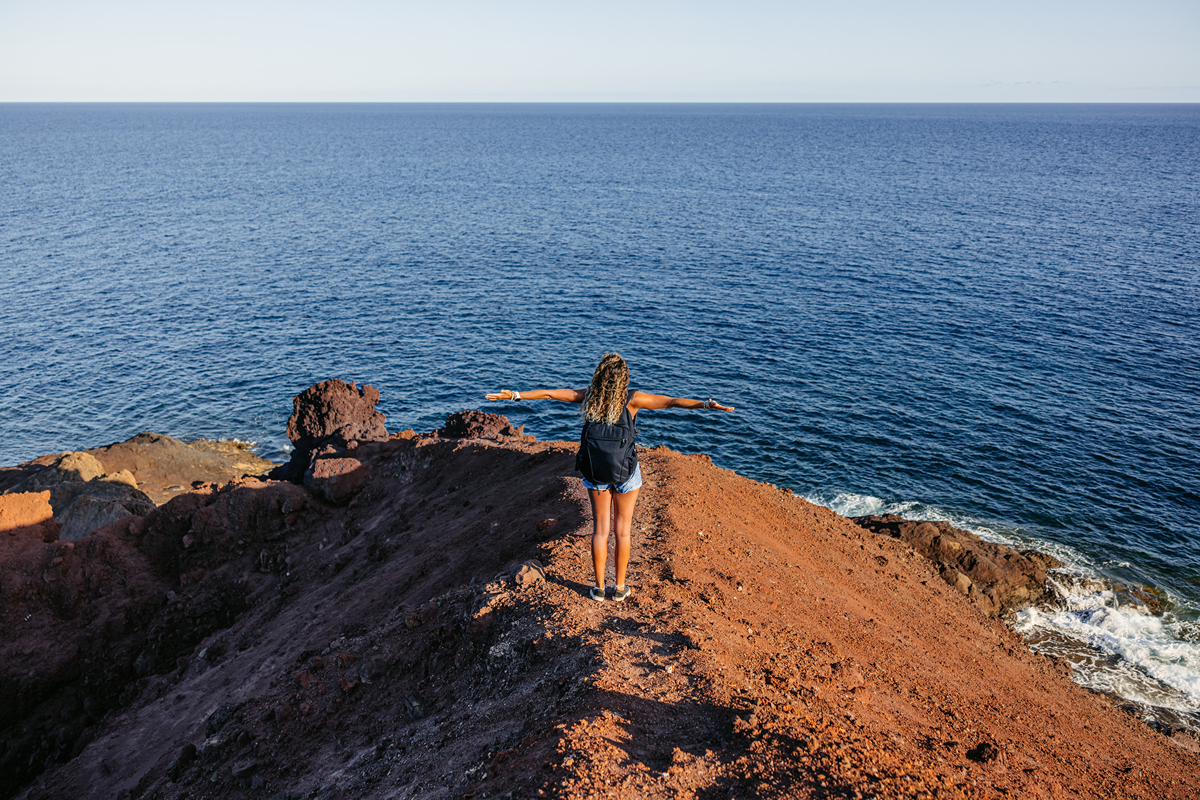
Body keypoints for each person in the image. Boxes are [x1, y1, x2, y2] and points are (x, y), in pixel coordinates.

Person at [486, 353, 733, 602]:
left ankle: (599, 588)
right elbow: (671, 402)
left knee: (600, 531)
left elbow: (551, 393)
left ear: (600, 375)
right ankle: (620, 588)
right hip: (626, 473)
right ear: (624, 378)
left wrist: (514, 395)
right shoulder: (633, 400)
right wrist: (705, 404)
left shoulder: (589, 397)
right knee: (623, 532)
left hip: (596, 473)